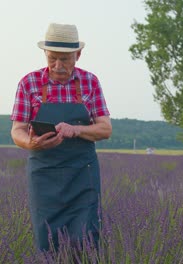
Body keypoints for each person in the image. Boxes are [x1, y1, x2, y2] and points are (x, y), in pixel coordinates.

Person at [10, 23, 112, 252]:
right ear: (45, 54)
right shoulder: (29, 83)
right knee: (46, 241)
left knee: (86, 239)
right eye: (52, 58)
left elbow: (105, 129)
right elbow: (17, 130)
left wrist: (76, 130)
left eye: (65, 59)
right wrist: (31, 142)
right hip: (44, 175)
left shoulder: (90, 82)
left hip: (82, 174)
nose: (58, 66)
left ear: (78, 54)